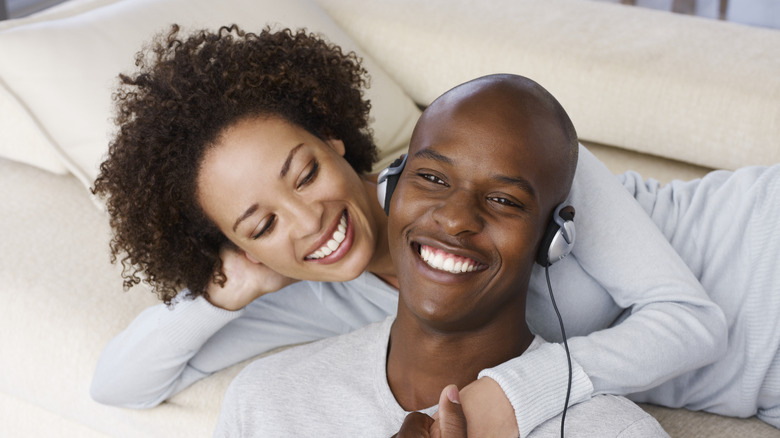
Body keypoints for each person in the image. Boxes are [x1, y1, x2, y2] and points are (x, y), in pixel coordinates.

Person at [90, 25, 725, 436]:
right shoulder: (319, 301)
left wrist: (513, 392)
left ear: (334, 139)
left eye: (306, 173)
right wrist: (228, 288)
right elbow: (120, 382)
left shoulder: (482, 156)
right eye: (263, 221)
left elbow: (694, 323)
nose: (311, 220)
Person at [213, 73, 670, 438]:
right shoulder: (264, 399)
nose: (455, 219)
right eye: (432, 179)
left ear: (554, 239)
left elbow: (692, 323)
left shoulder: (616, 430)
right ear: (392, 188)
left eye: (505, 200)